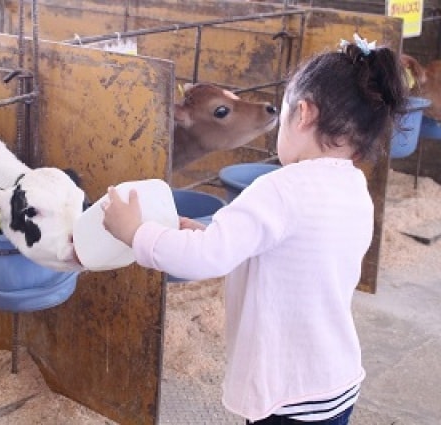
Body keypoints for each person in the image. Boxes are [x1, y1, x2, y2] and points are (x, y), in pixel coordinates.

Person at [101, 34, 408, 424]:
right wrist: (204, 232)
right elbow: (288, 256)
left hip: (286, 392)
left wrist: (134, 232)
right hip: (336, 382)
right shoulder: (354, 188)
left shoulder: (278, 188)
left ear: (304, 114)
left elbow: (205, 259)